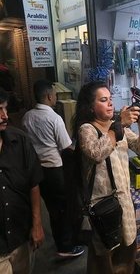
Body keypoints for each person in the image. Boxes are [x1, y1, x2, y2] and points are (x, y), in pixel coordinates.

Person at [73, 81, 140, 274]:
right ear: (91, 106)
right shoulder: (87, 130)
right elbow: (97, 152)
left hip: (123, 200)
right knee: (104, 255)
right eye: (103, 100)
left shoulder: (117, 126)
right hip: (102, 205)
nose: (110, 104)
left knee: (127, 247)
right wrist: (119, 125)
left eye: (110, 99)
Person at [21, 80, 84, 257]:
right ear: (49, 96)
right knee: (65, 207)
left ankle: (61, 241)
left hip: (38, 172)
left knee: (53, 209)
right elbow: (65, 146)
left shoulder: (27, 117)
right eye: (55, 94)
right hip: (55, 171)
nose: (56, 97)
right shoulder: (54, 118)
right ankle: (66, 247)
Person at [0, 87, 44, 274]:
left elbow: (33, 184)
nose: (5, 116)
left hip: (21, 236)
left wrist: (37, 224)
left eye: (5, 108)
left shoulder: (19, 141)